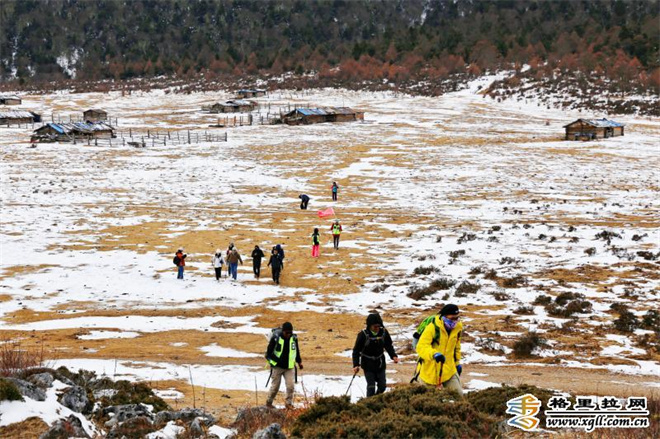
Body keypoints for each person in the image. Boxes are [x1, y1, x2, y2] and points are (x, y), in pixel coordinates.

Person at [415, 304, 463, 397]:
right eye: (452, 318)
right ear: (444, 316)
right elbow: (421, 346)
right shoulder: (433, 327)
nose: (455, 321)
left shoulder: (458, 328)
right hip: (429, 372)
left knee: (459, 396)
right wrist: (434, 354)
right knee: (427, 400)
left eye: (457, 318)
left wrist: (457, 363)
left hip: (449, 370)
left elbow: (456, 347)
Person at [352, 313, 398, 397]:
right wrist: (356, 364)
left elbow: (388, 345)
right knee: (371, 387)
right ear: (369, 326)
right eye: (375, 326)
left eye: (378, 326)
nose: (377, 328)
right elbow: (356, 351)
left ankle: (376, 400)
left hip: (380, 364)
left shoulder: (384, 332)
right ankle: (369, 404)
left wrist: (393, 356)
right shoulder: (363, 335)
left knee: (382, 386)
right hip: (367, 365)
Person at [265, 322, 303, 408]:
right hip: (277, 367)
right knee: (275, 387)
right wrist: (271, 362)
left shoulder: (294, 338)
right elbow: (268, 353)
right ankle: (269, 403)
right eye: (287, 333)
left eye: (290, 333)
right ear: (283, 331)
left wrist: (299, 362)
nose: (288, 335)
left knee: (291, 386)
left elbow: (296, 350)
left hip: (289, 367)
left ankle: (288, 404)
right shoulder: (276, 338)